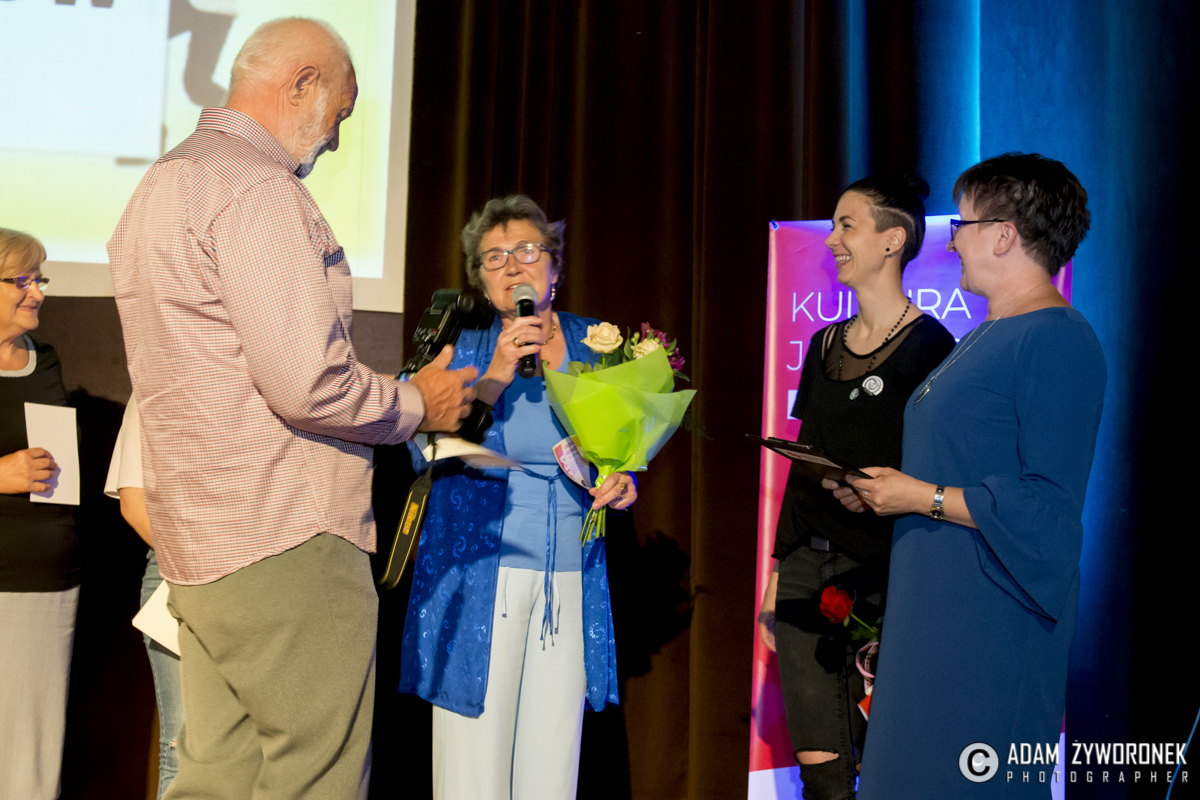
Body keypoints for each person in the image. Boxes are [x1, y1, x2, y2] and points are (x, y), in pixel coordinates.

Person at [107, 18, 476, 799]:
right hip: (286, 533)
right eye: (339, 114)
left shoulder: (161, 183)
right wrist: (420, 402)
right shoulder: (258, 190)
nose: (335, 140)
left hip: (199, 547)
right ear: (302, 82)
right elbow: (309, 385)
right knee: (315, 781)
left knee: (217, 779)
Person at [834, 154, 1106, 798]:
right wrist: (888, 493)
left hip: (987, 624)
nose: (951, 239)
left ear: (1005, 235)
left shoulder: (1058, 339)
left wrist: (920, 496)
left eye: (963, 223)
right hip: (935, 610)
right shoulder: (986, 334)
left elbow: (1047, 510)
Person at [398, 195, 636, 799]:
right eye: (494, 257)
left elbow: (622, 446)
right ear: (480, 279)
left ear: (554, 264)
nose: (512, 266)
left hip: (570, 575)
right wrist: (498, 372)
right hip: (480, 574)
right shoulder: (461, 343)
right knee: (473, 768)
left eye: (527, 250)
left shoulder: (596, 343)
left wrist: (623, 479)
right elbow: (419, 445)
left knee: (551, 767)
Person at [757, 178, 955, 799]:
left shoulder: (933, 347)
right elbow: (803, 464)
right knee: (820, 767)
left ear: (893, 240)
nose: (832, 239)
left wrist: (878, 491)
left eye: (847, 225)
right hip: (807, 568)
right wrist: (778, 572)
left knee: (887, 759)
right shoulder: (823, 344)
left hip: (883, 573)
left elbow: (940, 474)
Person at [0, 228, 78, 800]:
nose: (39, 293)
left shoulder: (43, 360)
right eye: (22, 280)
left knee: (30, 760)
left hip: (47, 581)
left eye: (40, 278)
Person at [103, 398, 180, 799]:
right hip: (178, 574)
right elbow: (134, 505)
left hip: (257, 579)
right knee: (184, 746)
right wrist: (206, 571)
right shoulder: (154, 383)